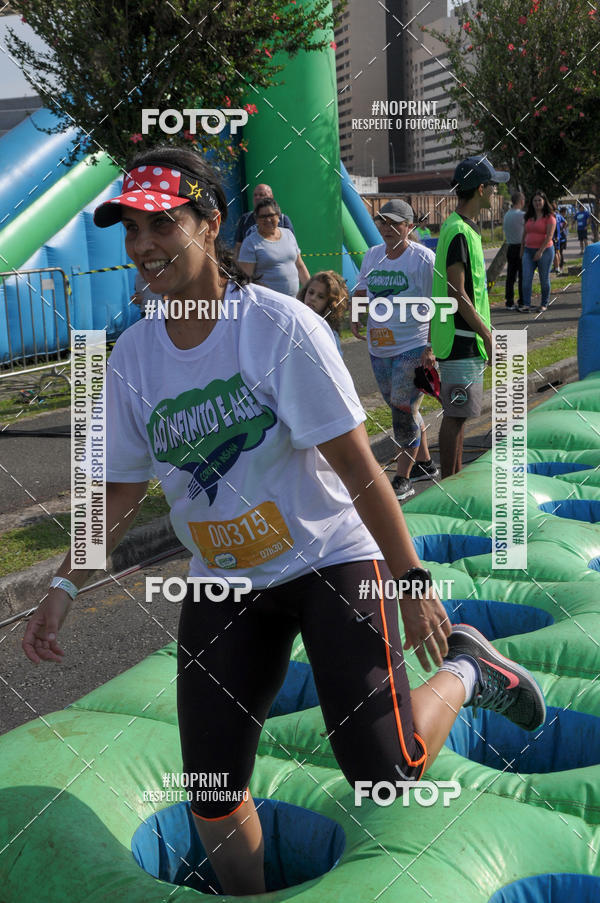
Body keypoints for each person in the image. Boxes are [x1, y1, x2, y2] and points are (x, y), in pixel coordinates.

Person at [21, 146, 546, 897]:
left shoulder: (278, 329)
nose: (142, 247)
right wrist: (66, 584)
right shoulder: (134, 357)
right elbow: (121, 493)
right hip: (226, 582)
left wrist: (412, 582)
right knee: (210, 788)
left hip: (329, 558)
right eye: (130, 230)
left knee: (386, 768)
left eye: (160, 224)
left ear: (210, 223)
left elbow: (362, 467)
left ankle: (468, 667)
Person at [352, 199, 439, 501]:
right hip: (379, 346)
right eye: (382, 222)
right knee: (400, 406)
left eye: (394, 223)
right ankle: (424, 463)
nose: (386, 228)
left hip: (412, 344)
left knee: (403, 407)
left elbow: (436, 304)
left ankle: (403, 479)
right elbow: (362, 289)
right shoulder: (372, 255)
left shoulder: (423, 258)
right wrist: (356, 316)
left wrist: (430, 346)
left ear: (409, 226)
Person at [431, 155, 509, 478]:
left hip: (464, 340)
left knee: (460, 414)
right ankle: (450, 486)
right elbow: (457, 294)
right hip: (461, 340)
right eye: (492, 187)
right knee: (456, 415)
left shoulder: (463, 229)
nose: (494, 193)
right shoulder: (458, 232)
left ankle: (456, 481)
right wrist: (487, 335)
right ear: (480, 189)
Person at [237, 197, 309, 296]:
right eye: (263, 216)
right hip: (267, 303)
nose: (268, 219)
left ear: (278, 216)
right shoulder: (250, 243)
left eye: (271, 215)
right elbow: (245, 279)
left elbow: (300, 266)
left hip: (293, 301)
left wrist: (309, 290)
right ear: (256, 219)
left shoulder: (288, 234)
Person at [233, 183, 294, 258]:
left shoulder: (283, 219)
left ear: (271, 197)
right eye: (255, 195)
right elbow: (238, 247)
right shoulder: (245, 219)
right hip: (250, 265)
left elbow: (292, 247)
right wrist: (238, 266)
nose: (257, 197)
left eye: (261, 195)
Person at [520, 190, 556, 313]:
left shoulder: (550, 217)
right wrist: (522, 249)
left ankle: (544, 304)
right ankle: (526, 304)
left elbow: (549, 236)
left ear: (544, 201)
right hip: (528, 251)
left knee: (544, 278)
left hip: (545, 251)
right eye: (535, 201)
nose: (537, 203)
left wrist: (540, 251)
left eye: (539, 200)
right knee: (526, 278)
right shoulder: (529, 216)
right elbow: (525, 234)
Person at [297, 270, 348, 355]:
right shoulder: (296, 320)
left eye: (320, 297)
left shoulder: (329, 333)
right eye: (311, 292)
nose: (313, 298)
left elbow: (334, 365)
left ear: (329, 303)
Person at [502, 191, 525, 308]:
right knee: (522, 276)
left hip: (510, 247)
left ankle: (509, 301)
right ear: (521, 201)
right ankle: (522, 300)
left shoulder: (507, 215)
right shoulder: (522, 215)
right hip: (521, 247)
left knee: (510, 276)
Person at [553, 206, 568, 274]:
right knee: (558, 252)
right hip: (559, 237)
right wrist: (562, 229)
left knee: (557, 252)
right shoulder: (559, 216)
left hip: (555, 237)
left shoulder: (554, 216)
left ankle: (558, 267)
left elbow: (565, 222)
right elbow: (565, 222)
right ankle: (558, 266)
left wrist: (561, 229)